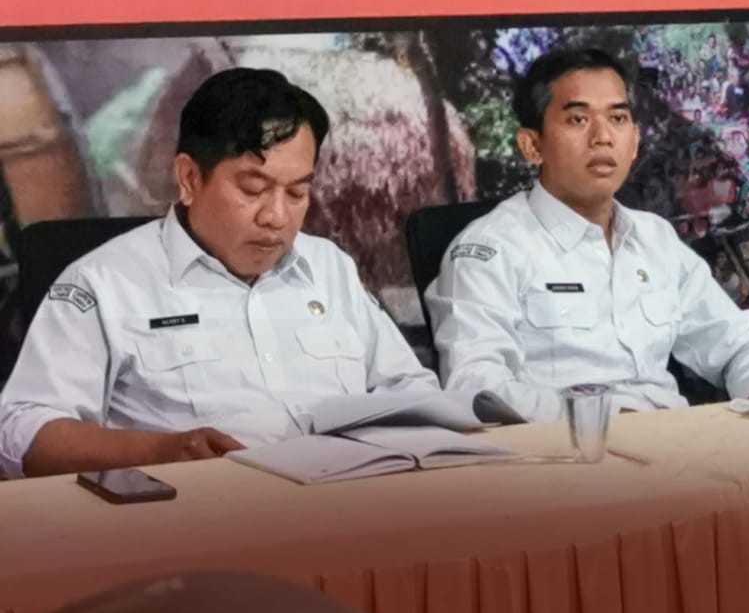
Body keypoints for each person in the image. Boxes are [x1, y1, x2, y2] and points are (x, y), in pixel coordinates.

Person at [0, 69, 438, 479]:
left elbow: (408, 386)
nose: (276, 216)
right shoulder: (104, 283)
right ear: (190, 178)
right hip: (196, 514)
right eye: (253, 189)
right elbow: (22, 429)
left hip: (353, 500)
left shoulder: (328, 266)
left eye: (296, 192)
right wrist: (160, 451)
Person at [427, 47, 749, 419]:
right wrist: (603, 417)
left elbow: (737, 340)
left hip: (674, 441)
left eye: (617, 118)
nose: (603, 137)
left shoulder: (655, 238)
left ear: (634, 142)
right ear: (532, 145)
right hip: (564, 448)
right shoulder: (492, 248)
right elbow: (476, 388)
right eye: (578, 119)